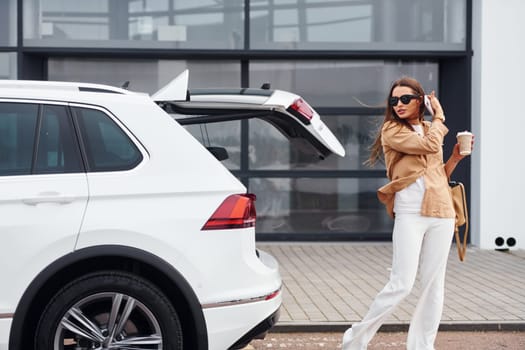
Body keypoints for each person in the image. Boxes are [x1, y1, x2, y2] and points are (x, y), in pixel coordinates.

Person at [342, 77, 474, 350]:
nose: (398, 105)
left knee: (434, 285)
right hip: (410, 213)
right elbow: (426, 146)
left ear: (420, 101)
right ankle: (354, 340)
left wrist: (455, 159)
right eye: (394, 101)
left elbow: (438, 174)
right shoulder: (392, 130)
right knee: (401, 283)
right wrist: (440, 116)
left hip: (441, 211)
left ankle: (422, 346)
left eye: (405, 99)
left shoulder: (429, 129)